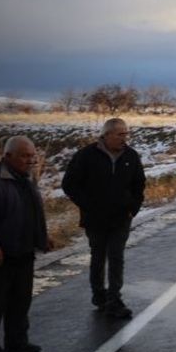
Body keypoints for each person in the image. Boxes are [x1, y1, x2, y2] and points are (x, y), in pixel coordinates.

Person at [0, 136, 54, 352]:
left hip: (23, 251)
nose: (30, 160)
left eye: (32, 156)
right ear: (7, 156)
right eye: (24, 156)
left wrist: (42, 237)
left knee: (20, 301)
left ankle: (17, 342)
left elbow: (34, 211)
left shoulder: (26, 178)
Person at [62, 118, 145, 320]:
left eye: (126, 134)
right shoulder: (87, 156)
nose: (124, 138)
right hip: (95, 218)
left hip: (120, 218)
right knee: (98, 257)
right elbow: (69, 184)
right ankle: (99, 296)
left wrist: (132, 208)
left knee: (116, 256)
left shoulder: (131, 156)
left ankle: (114, 299)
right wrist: (88, 206)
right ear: (106, 135)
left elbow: (139, 184)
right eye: (120, 134)